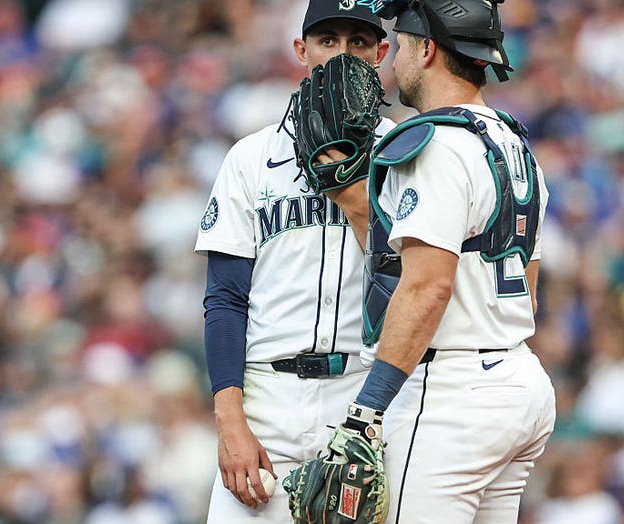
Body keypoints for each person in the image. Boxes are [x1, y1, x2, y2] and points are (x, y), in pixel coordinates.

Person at [330, 0, 558, 521]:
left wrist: (366, 410)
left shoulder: (436, 145)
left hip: (452, 396)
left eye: (403, 47)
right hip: (517, 378)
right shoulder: (512, 141)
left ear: (428, 49)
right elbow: (529, 281)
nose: (395, 61)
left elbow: (427, 288)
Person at [192, 0, 392, 520]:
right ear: (302, 50)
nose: (342, 55)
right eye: (328, 41)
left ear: (381, 53)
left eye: (358, 42)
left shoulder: (403, 151)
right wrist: (229, 420)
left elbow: (417, 279)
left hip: (363, 396)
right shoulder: (251, 158)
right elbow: (225, 299)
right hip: (267, 400)